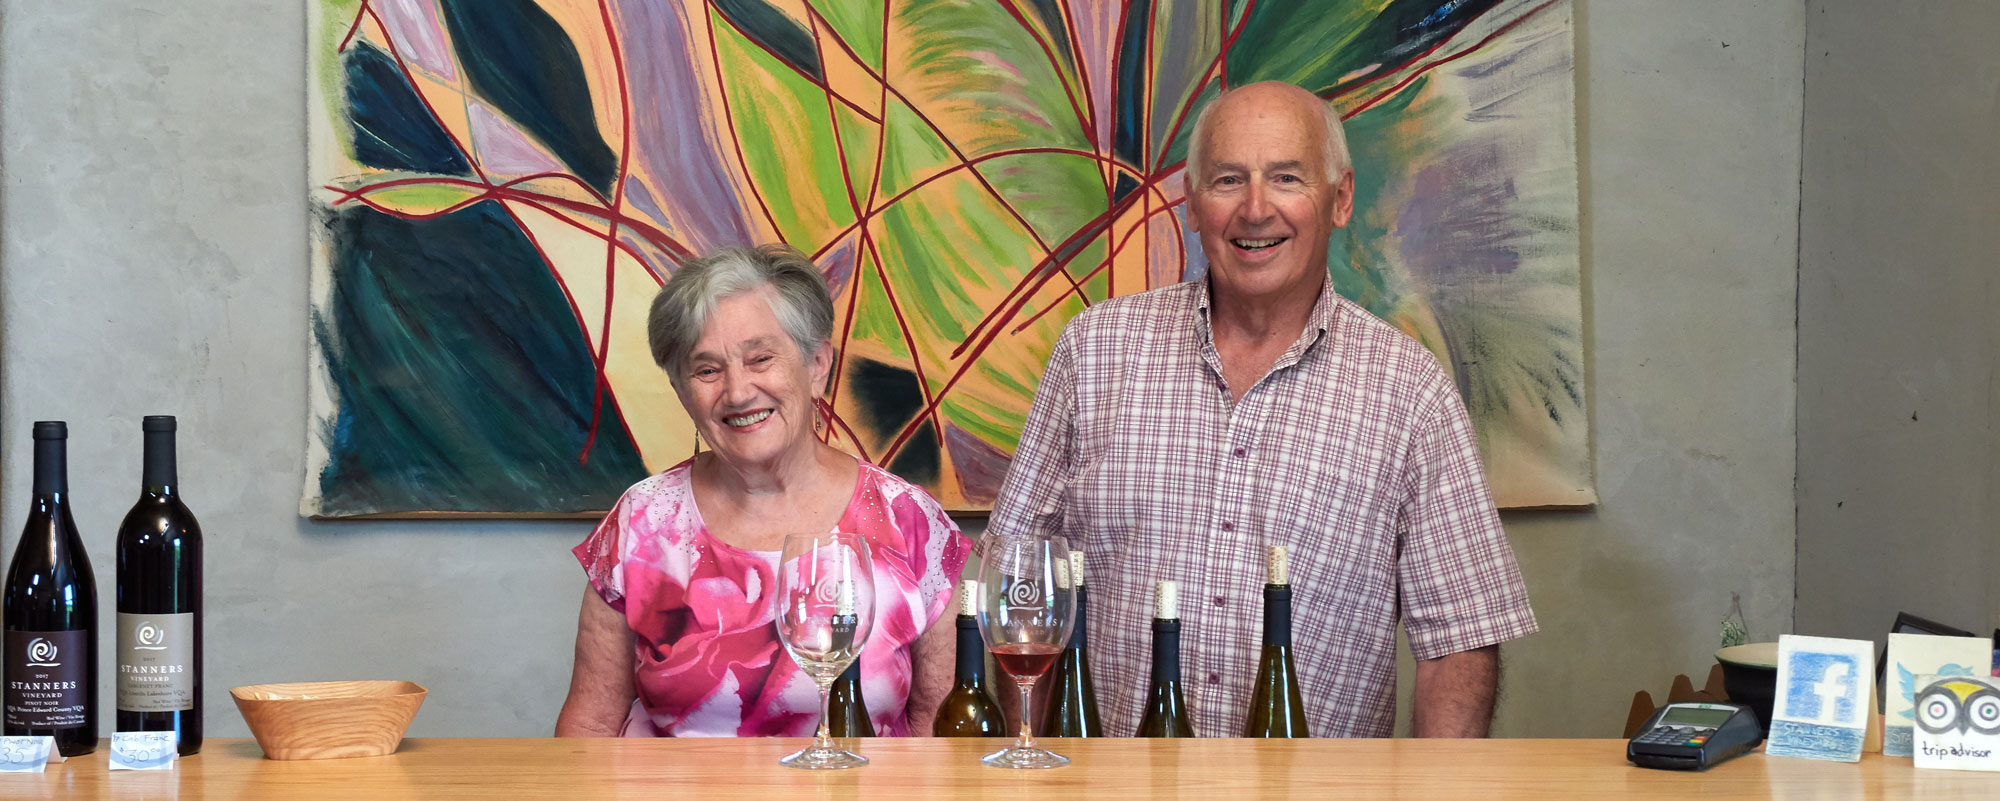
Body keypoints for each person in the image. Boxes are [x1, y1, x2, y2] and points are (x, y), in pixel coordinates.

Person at [989, 82, 1537, 738]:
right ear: (1192, 204)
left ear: (1340, 199)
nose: (1255, 209)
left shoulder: (1411, 391)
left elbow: (1459, 640)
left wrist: (1438, 785)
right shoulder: (1094, 351)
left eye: (1286, 178)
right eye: (1228, 180)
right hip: (1112, 783)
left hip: (1318, 786)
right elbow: (1017, 579)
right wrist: (1033, 771)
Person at [557, 244, 970, 737]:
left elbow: (941, 731)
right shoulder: (642, 522)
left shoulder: (908, 520)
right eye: (707, 370)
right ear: (682, 392)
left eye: (760, 359)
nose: (737, 392)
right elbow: (590, 725)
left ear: (817, 365)